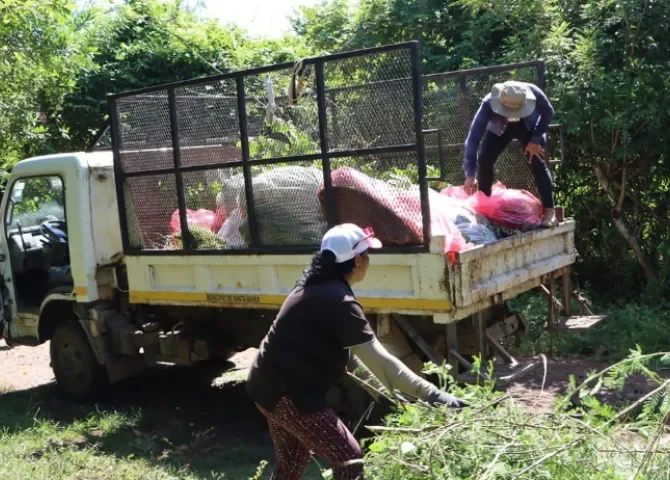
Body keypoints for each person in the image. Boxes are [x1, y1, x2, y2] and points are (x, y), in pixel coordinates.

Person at [246, 223, 467, 480]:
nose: (369, 260)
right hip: (288, 394)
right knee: (350, 461)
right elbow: (382, 362)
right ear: (356, 261)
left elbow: (352, 355)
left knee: (292, 463)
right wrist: (435, 395)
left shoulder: (317, 288)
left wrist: (387, 392)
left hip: (265, 383)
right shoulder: (339, 301)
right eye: (367, 254)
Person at [463, 80, 558, 227]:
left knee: (538, 161)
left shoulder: (534, 93)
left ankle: (550, 212)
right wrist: (470, 174)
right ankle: (484, 210)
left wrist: (535, 139)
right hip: (500, 128)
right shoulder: (489, 103)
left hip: (528, 128)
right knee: (485, 160)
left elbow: (548, 112)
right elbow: (473, 138)